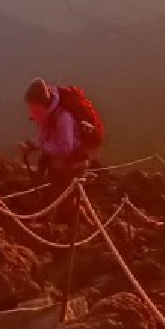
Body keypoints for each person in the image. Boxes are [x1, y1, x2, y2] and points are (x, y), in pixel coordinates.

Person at [20, 78, 103, 221]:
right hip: (60, 165)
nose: (31, 110)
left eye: (32, 106)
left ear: (40, 103)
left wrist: (41, 146)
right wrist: (32, 144)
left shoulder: (63, 117)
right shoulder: (49, 114)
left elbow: (65, 148)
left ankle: (83, 226)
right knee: (62, 200)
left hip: (72, 166)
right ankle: (75, 221)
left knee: (67, 202)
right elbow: (46, 137)